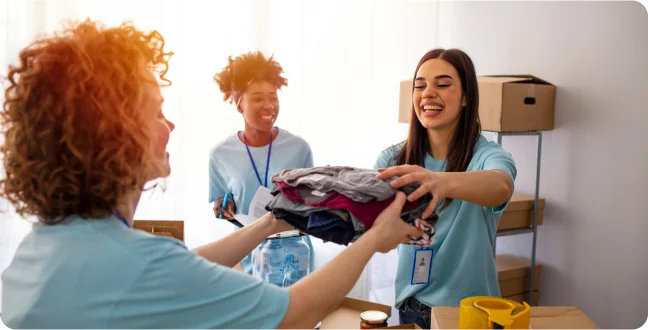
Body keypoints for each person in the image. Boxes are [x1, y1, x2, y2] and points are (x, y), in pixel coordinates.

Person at [0, 20, 424, 329]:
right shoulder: (142, 263)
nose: (171, 126)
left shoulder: (35, 254)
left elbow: (180, 268)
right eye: (157, 112)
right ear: (113, 132)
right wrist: (374, 239)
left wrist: (269, 222)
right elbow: (295, 313)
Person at [373, 48, 517, 328]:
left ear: (465, 97)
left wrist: (439, 181)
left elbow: (501, 185)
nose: (427, 93)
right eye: (420, 86)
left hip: (472, 312)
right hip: (412, 306)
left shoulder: (487, 156)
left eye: (442, 84)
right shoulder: (393, 161)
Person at [209, 51, 315, 274]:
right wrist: (222, 208)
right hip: (248, 259)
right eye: (257, 98)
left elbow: (311, 204)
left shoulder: (299, 148)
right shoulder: (220, 154)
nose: (269, 105)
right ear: (239, 104)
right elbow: (219, 204)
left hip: (294, 259)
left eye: (273, 96)